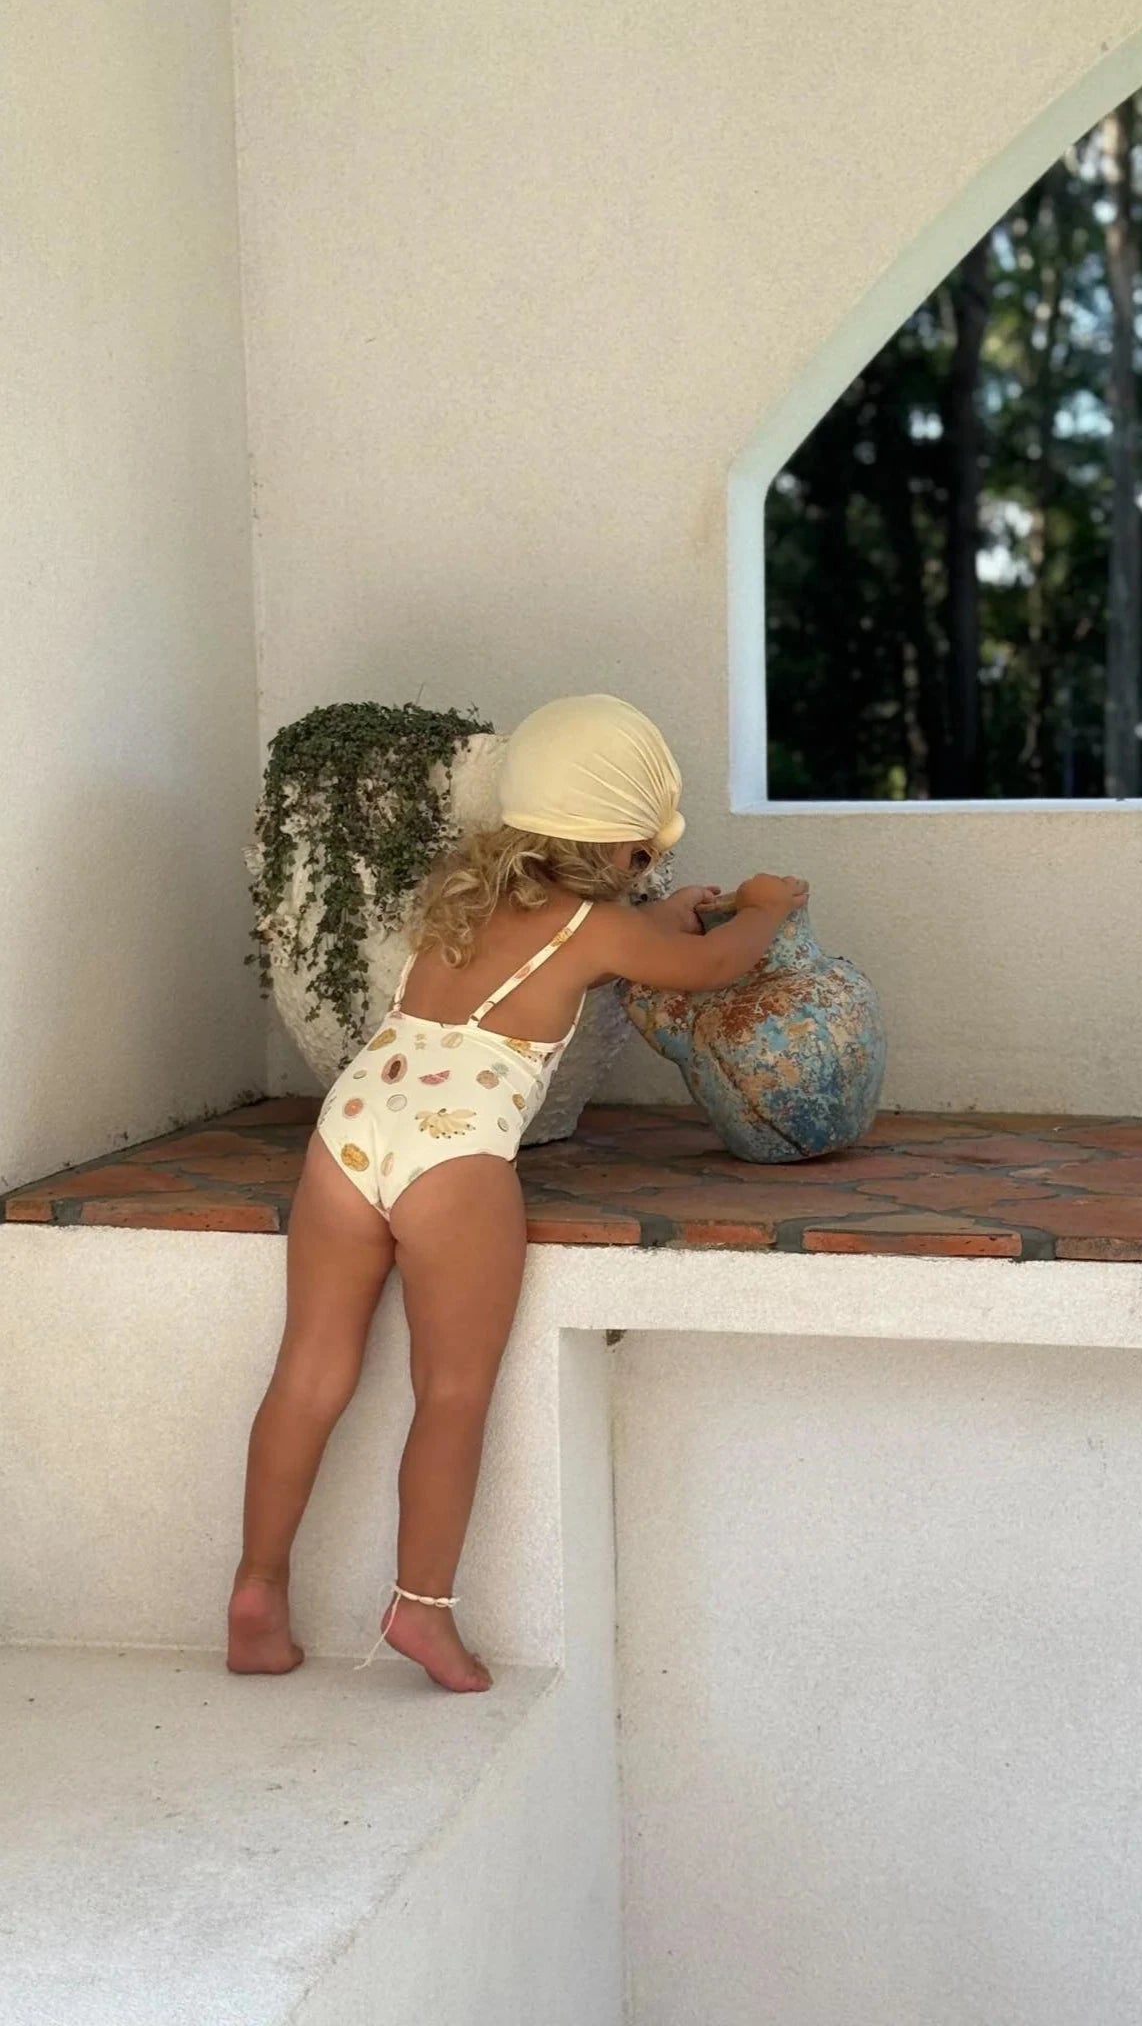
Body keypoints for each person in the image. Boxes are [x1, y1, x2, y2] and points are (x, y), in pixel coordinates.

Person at [227, 693, 807, 1690]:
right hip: (454, 1161)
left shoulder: (464, 893)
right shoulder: (599, 930)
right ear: (623, 846)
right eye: (644, 856)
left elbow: (598, 943)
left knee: (311, 1372)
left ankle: (255, 1589)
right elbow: (708, 964)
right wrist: (767, 904)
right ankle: (421, 1609)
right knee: (450, 1391)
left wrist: (651, 918)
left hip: (353, 1132)